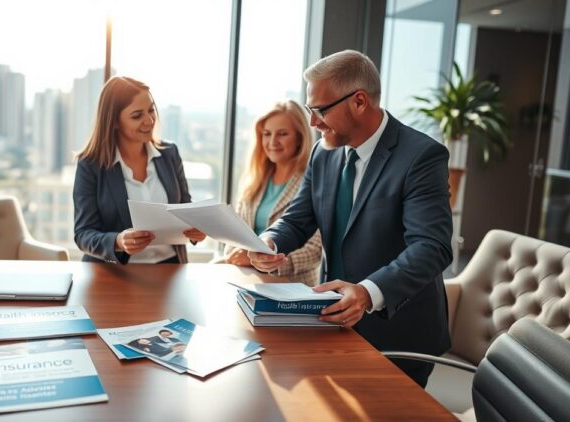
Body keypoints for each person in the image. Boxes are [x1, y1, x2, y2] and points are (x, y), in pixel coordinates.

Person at [248, 50, 452, 387]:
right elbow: (298, 219)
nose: (313, 122)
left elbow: (432, 248)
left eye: (320, 110)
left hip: (399, 336)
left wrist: (369, 292)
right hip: (334, 322)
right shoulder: (323, 152)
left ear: (359, 101)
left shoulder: (421, 156)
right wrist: (270, 240)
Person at [74, 76, 206, 264]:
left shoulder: (170, 154)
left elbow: (185, 208)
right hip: (115, 273)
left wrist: (196, 230)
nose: (149, 120)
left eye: (151, 110)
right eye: (137, 115)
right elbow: (83, 234)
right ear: (114, 121)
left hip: (170, 268)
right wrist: (118, 241)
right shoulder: (90, 165)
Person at [222, 100, 322, 285]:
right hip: (246, 281)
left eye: (282, 134)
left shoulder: (313, 182)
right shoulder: (254, 179)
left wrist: (265, 262)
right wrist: (236, 254)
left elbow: (313, 251)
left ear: (300, 137)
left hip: (291, 287)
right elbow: (235, 233)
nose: (272, 142)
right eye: (266, 134)